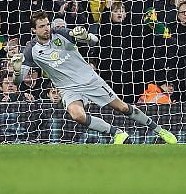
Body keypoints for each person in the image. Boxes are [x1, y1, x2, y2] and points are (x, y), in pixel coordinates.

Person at [11, 10, 177, 145]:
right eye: (42, 26)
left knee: (122, 108)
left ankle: (160, 130)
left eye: (47, 24)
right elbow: (17, 82)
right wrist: (17, 70)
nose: (47, 28)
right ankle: (117, 133)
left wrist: (85, 37)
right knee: (77, 115)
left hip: (89, 79)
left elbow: (94, 40)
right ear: (34, 30)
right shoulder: (30, 50)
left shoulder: (61, 34)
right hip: (67, 88)